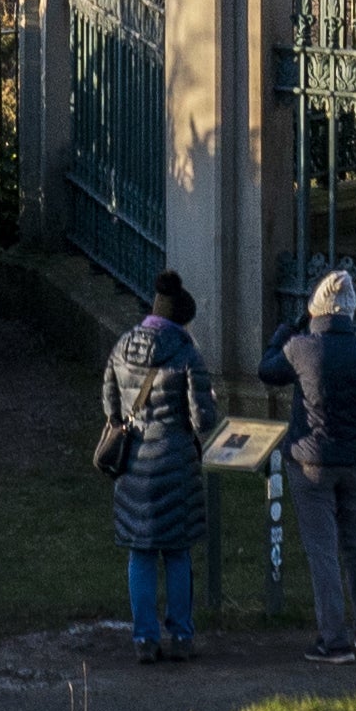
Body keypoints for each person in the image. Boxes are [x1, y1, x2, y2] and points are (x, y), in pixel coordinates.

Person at [267, 270, 356, 662]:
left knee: (322, 550)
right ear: (350, 312)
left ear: (315, 310)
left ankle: (334, 638)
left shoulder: (300, 349)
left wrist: (283, 332)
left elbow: (266, 370)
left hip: (311, 462)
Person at [100, 272, 211, 661]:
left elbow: (111, 405)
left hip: (134, 464)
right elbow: (203, 419)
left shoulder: (121, 347)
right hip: (176, 463)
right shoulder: (186, 354)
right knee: (177, 553)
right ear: (181, 320)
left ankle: (144, 638)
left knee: (141, 552)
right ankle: (181, 635)